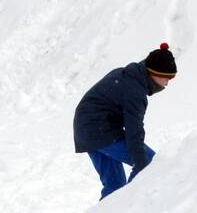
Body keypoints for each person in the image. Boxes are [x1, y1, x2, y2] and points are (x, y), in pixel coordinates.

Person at [74, 43, 177, 200]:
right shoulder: (135, 92)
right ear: (154, 73)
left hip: (85, 129)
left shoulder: (128, 75)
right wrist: (143, 165)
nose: (168, 83)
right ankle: (130, 206)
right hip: (100, 131)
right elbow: (133, 131)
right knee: (151, 164)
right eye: (167, 78)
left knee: (115, 185)